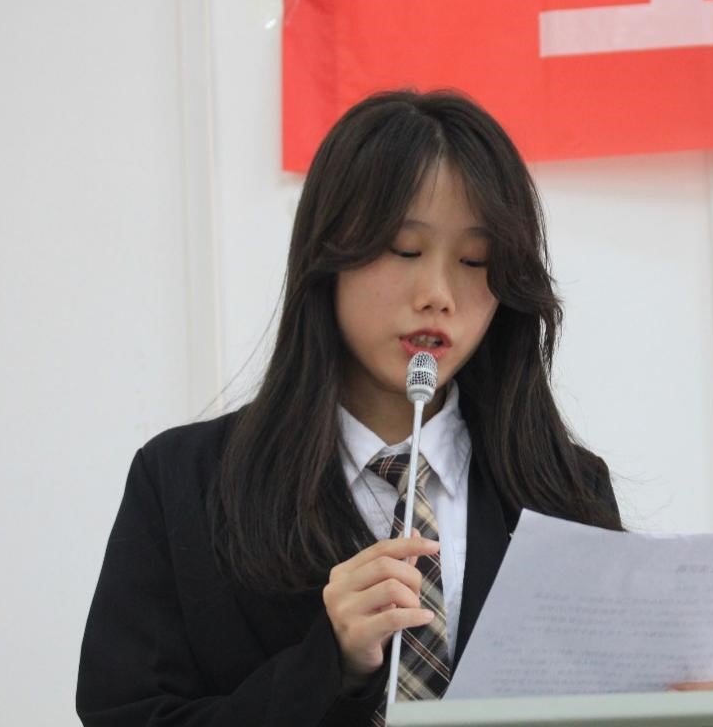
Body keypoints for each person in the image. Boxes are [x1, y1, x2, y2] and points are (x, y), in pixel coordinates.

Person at [76, 90, 624, 726]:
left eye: (476, 261)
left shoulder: (567, 493)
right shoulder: (184, 481)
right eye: (405, 249)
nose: (438, 294)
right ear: (329, 254)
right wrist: (325, 666)